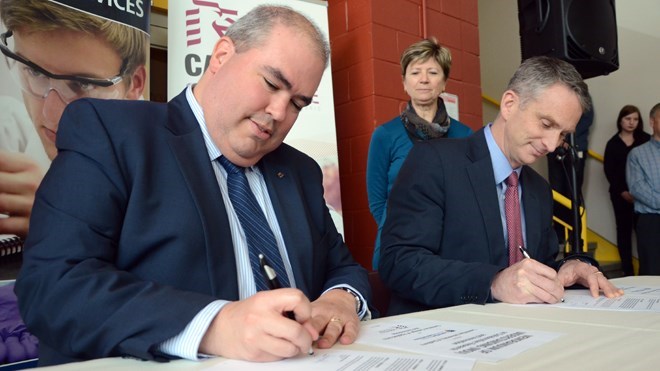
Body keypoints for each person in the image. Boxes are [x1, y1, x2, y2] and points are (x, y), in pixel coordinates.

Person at [15, 5, 371, 366]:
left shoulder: (300, 171)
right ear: (222, 56)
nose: (279, 112)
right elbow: (54, 284)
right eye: (271, 84)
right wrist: (214, 327)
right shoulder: (112, 133)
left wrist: (340, 298)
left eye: (297, 103)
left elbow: (343, 267)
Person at [378, 56, 624, 315]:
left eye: (562, 134)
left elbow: (534, 266)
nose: (552, 145)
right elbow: (399, 263)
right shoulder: (434, 161)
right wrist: (493, 282)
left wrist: (568, 267)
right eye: (546, 124)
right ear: (509, 104)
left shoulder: (539, 189)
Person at [0, 0, 148, 239]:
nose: (50, 114)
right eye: (35, 72)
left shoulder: (174, 173)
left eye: (82, 84)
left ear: (135, 85)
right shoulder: (9, 131)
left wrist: (62, 213)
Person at [366, 38, 472, 270]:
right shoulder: (385, 135)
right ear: (404, 82)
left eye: (433, 72)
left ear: (444, 82)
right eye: (415, 73)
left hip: (452, 250)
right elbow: (377, 202)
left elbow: (470, 195)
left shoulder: (465, 135)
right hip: (399, 247)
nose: (423, 79)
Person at [603, 105, 650, 276]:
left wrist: (640, 193)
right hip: (620, 196)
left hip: (645, 198)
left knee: (645, 234)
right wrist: (623, 191)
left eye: (635, 119)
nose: (631, 123)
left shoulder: (646, 140)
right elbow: (610, 171)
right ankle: (628, 271)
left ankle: (646, 271)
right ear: (620, 120)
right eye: (628, 119)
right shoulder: (613, 143)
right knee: (623, 232)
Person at [547, 98, 593, 246]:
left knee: (573, 192)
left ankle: (575, 234)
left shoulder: (581, 95)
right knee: (556, 191)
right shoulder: (552, 94)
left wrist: (568, 139)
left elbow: (586, 120)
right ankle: (559, 234)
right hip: (555, 149)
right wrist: (559, 140)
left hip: (576, 148)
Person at [627, 103, 660, 275]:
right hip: (651, 222)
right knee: (652, 273)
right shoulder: (637, 154)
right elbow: (637, 188)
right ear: (652, 122)